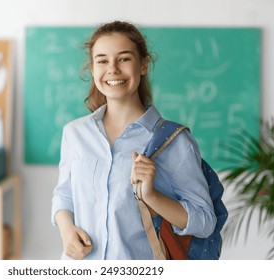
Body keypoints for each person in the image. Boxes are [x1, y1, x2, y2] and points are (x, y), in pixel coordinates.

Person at [51, 20, 216, 260]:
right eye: (102, 60)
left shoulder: (173, 141)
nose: (113, 69)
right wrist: (66, 230)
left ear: (143, 65)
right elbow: (64, 194)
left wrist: (152, 196)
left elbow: (205, 222)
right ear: (93, 68)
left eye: (124, 58)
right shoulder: (75, 133)